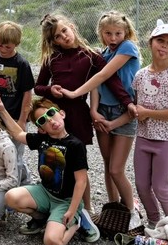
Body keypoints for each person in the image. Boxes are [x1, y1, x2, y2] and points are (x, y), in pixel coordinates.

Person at [34, 12, 132, 215]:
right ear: (53, 41)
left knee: (78, 164)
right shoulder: (51, 58)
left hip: (78, 114)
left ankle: (86, 208)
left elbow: (111, 79)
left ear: (71, 26)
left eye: (64, 31)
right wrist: (49, 90)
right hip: (55, 115)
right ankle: (56, 203)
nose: (64, 37)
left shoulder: (90, 55)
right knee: (56, 161)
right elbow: (38, 87)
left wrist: (127, 102)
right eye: (57, 37)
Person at [59, 11, 141, 228]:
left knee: (116, 168)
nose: (113, 38)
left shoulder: (127, 48)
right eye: (108, 33)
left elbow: (103, 75)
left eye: (117, 33)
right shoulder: (103, 53)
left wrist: (76, 93)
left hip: (124, 111)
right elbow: (97, 85)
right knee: (107, 164)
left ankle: (131, 211)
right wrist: (93, 110)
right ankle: (114, 207)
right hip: (103, 110)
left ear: (126, 33)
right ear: (101, 33)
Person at [0, 94, 101, 245]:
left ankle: (76, 223)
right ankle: (43, 218)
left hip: (66, 201)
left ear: (62, 113)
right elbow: (17, 134)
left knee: (52, 243)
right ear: (41, 129)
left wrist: (72, 210)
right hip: (45, 193)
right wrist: (2, 110)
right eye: (43, 120)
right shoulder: (42, 140)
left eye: (51, 113)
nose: (50, 120)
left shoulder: (75, 145)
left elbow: (81, 181)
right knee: (11, 197)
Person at [129, 20, 168, 228]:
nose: (163, 46)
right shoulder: (140, 75)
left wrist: (148, 113)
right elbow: (138, 106)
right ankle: (155, 222)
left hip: (167, 138)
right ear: (151, 43)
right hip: (144, 136)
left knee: (161, 186)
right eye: (160, 41)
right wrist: (135, 111)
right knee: (142, 185)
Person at [0, 21, 34, 164]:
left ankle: (17, 183)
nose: (2, 49)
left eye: (7, 47)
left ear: (16, 44)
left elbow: (27, 93)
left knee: (14, 156)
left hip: (15, 117)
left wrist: (22, 120)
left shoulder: (22, 64)